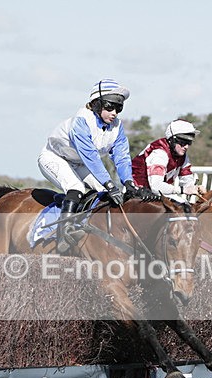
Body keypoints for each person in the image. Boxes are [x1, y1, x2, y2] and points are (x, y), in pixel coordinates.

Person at [37, 78, 151, 254]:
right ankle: (64, 234)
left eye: (119, 108)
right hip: (54, 157)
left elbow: (121, 157)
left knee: (103, 192)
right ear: (97, 104)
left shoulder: (117, 127)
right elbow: (91, 157)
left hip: (79, 163)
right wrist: (110, 183)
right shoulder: (81, 121)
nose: (114, 113)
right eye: (110, 107)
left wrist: (128, 182)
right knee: (76, 187)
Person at [131, 119, 207, 203]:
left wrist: (196, 188)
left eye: (189, 142)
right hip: (136, 193)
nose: (186, 147)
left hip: (152, 194)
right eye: (183, 142)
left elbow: (187, 182)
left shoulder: (183, 156)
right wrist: (183, 190)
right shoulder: (159, 153)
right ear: (172, 140)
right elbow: (156, 187)